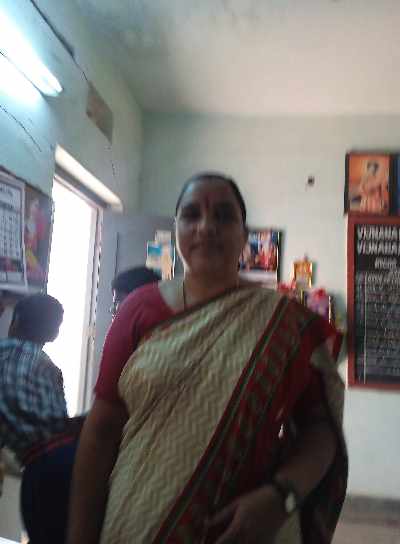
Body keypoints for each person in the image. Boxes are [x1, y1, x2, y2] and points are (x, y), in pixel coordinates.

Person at [67, 172, 347, 544]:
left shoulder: (288, 325)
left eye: (224, 216)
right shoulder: (139, 309)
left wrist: (282, 496)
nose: (206, 226)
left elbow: (321, 430)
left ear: (245, 236)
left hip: (244, 527)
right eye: (192, 214)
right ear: (177, 228)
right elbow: (102, 429)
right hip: (134, 521)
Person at [0, 293, 81, 544]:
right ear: (54, 334)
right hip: (72, 459)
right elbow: (61, 422)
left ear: (15, 320)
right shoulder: (51, 368)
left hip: (39, 467)